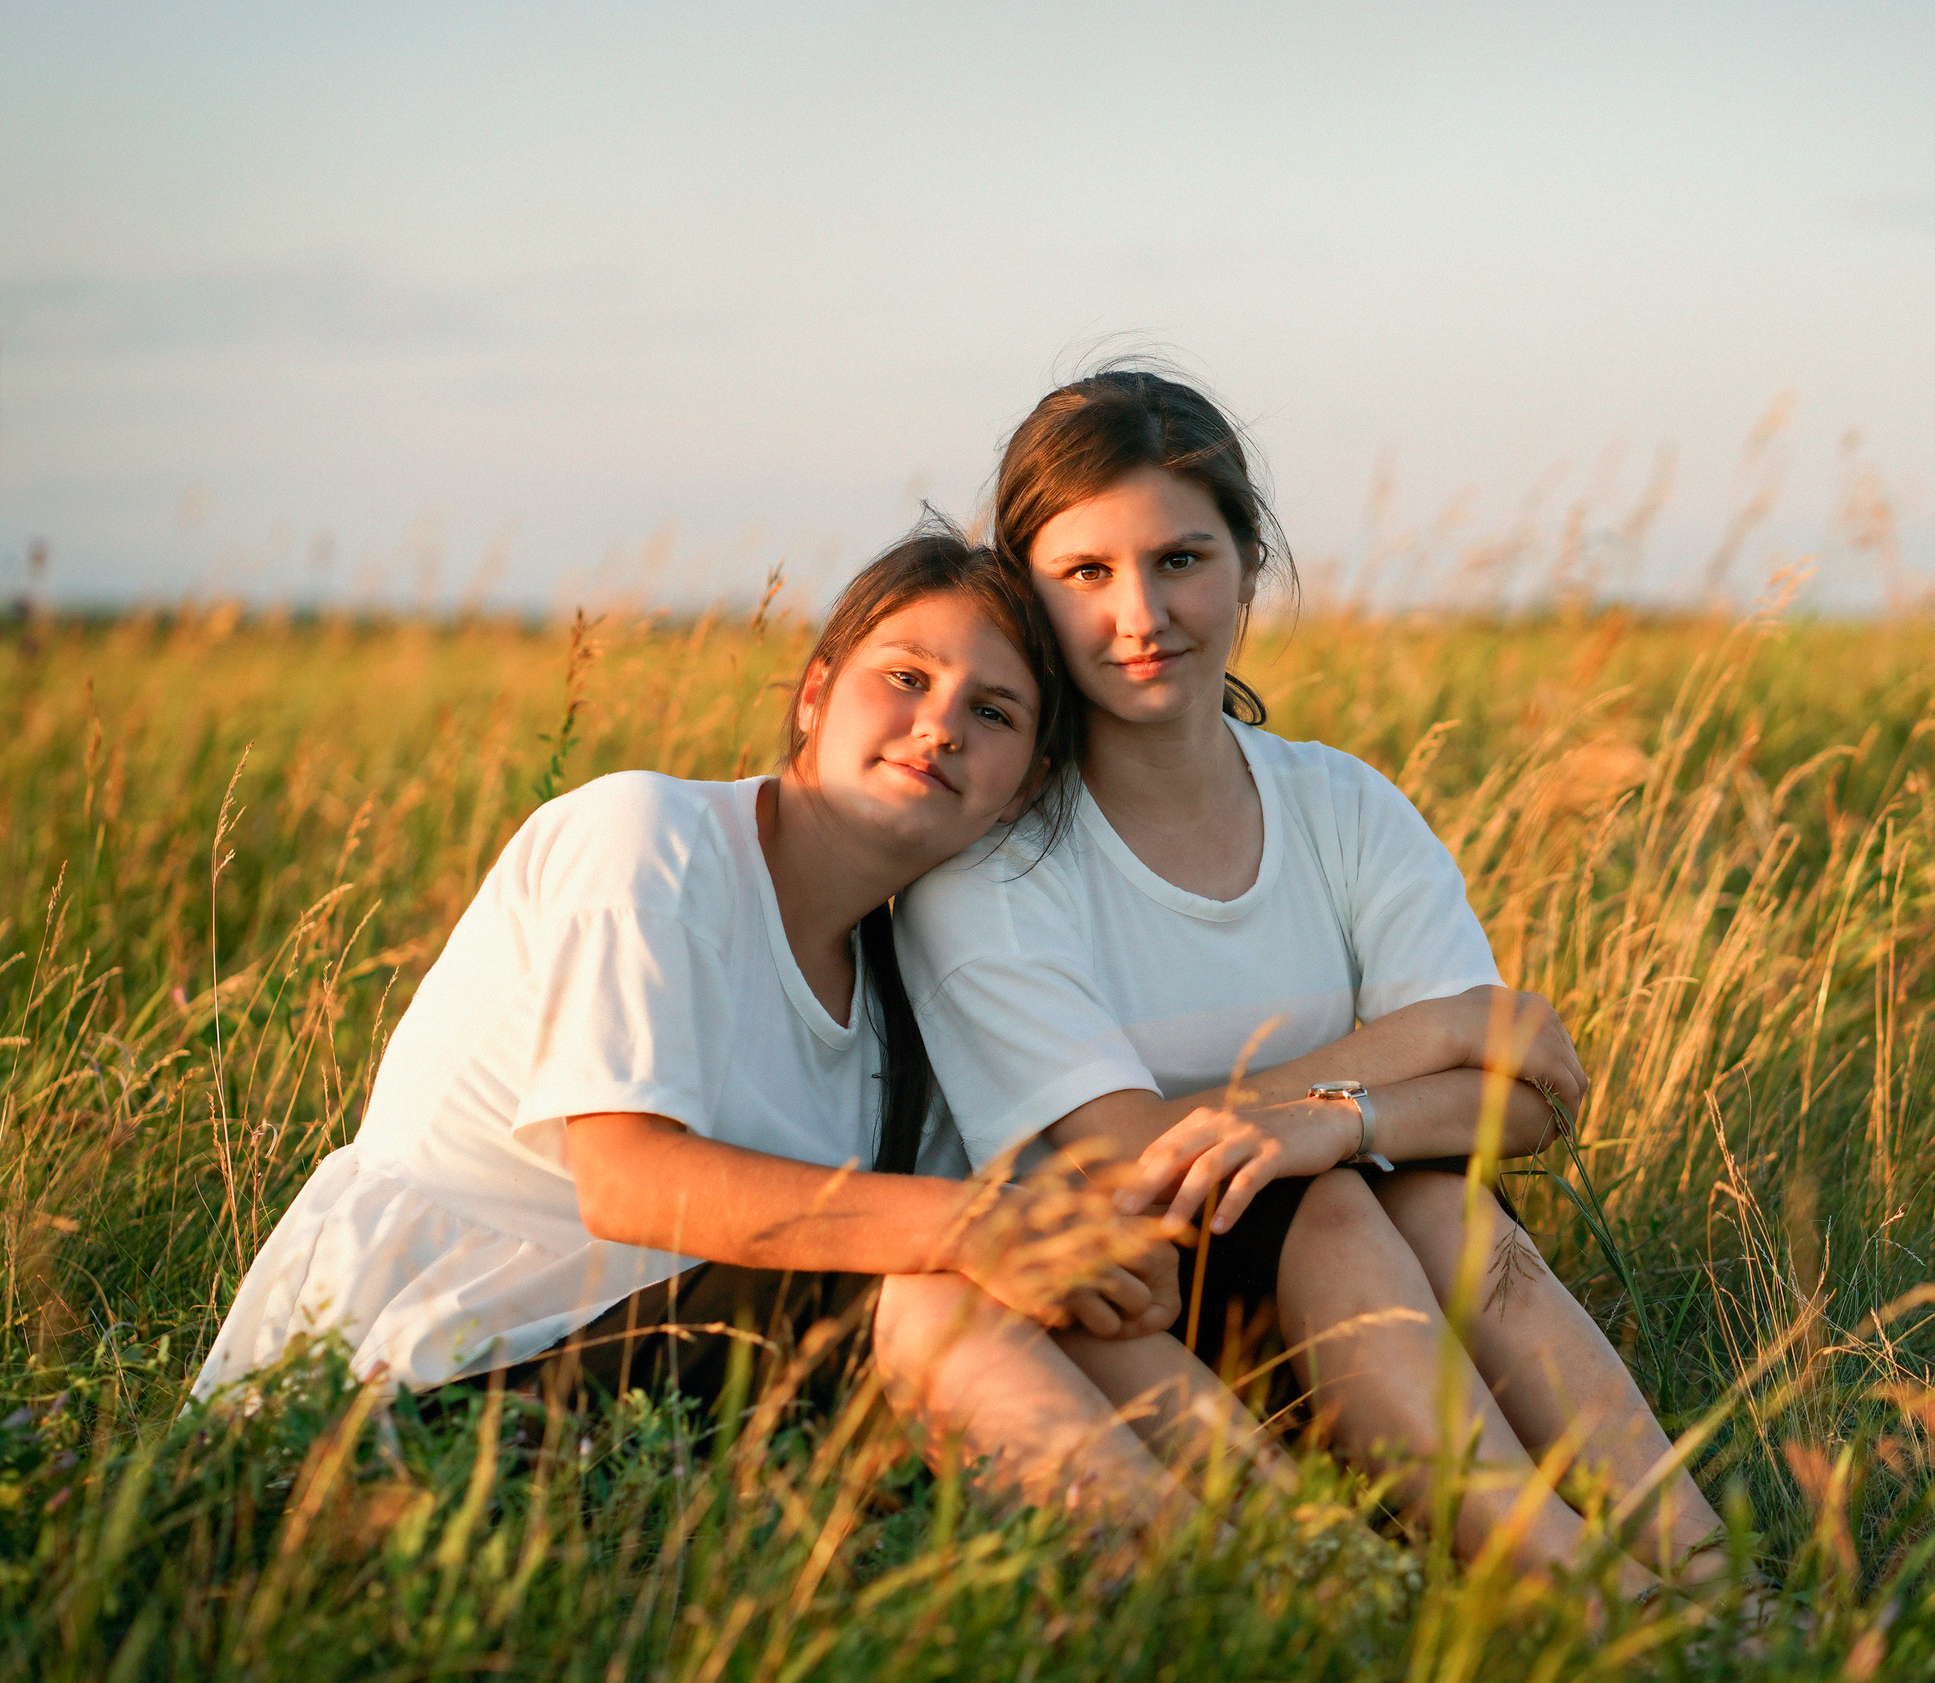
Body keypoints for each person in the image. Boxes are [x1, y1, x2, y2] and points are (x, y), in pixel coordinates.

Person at [191, 524, 1245, 1530]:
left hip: (659, 1381)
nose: (941, 727)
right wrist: (977, 1228)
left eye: (996, 713)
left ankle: (1305, 1558)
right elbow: (628, 1179)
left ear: (1027, 790)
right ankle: (1203, 1595)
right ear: (815, 696)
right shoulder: (649, 840)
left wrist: (1088, 1251)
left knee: (1022, 1268)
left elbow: (979, 1220)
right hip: (417, 1379)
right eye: (907, 678)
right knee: (933, 1273)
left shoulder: (905, 981)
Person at [896, 371, 1735, 1599]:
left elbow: (1532, 1104)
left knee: (1430, 1205)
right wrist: (1439, 1033)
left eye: (1182, 558)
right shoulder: (995, 859)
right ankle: (1574, 1594)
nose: (1141, 613)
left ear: (1248, 561)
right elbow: (1137, 1157)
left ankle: (1714, 1581)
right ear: (1026, 587)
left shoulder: (1339, 805)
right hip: (1119, 1343)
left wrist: (1341, 1121)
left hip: (1379, 1326)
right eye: (1086, 573)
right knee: (1336, 1199)